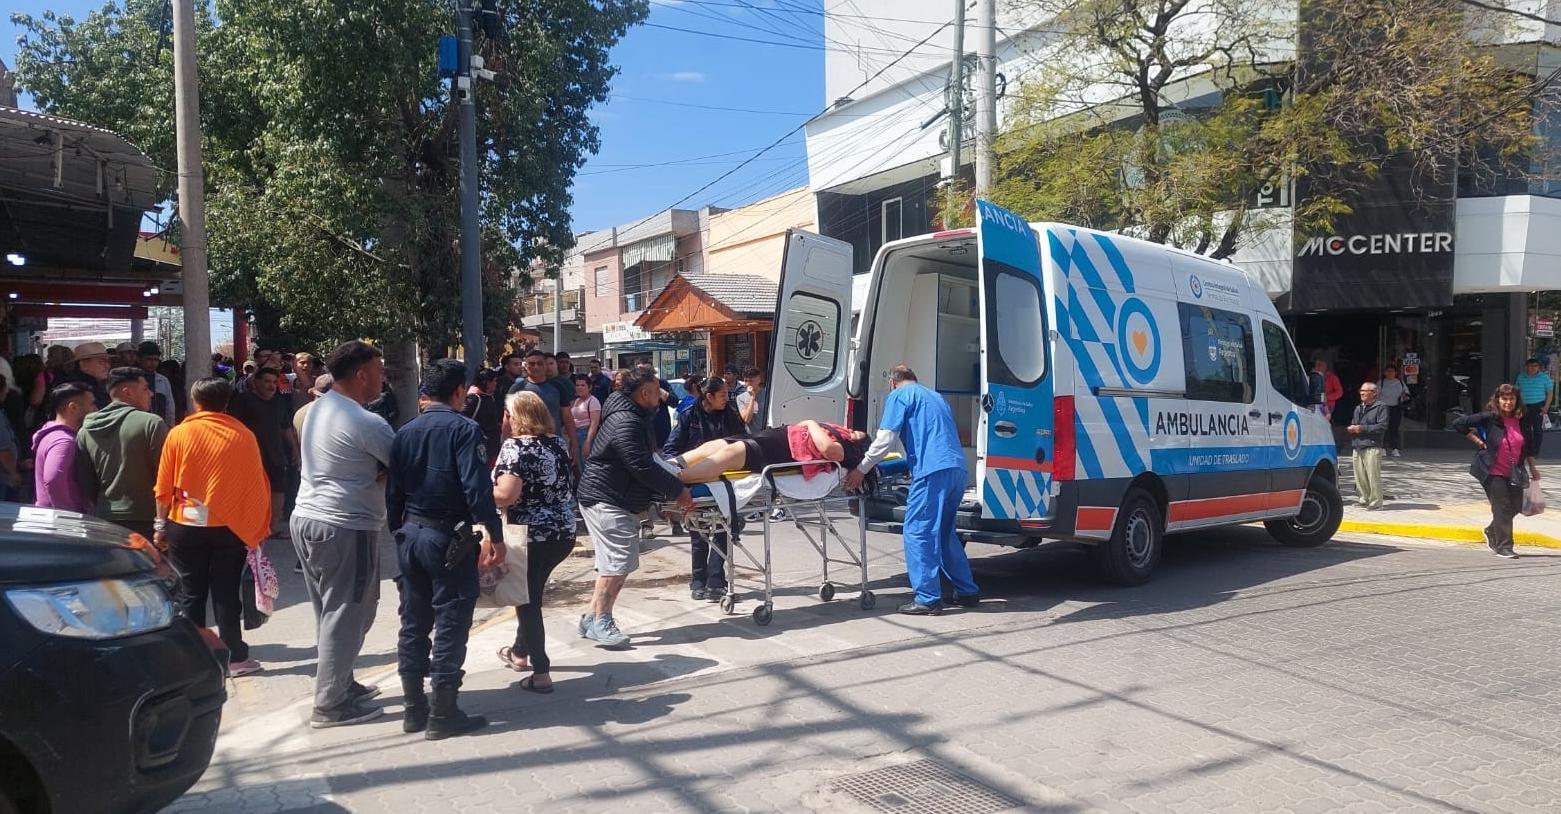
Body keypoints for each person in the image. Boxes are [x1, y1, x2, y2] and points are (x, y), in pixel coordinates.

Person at [387, 358, 504, 738]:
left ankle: (413, 709)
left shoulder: (405, 431)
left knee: (413, 621)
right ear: (458, 392)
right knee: (451, 622)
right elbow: (477, 488)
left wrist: (398, 532)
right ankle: (443, 711)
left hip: (411, 534)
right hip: (447, 538)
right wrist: (495, 535)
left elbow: (393, 492)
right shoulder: (464, 429)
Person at [291, 341, 397, 728]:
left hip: (308, 518)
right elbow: (401, 464)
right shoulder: (365, 421)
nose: (383, 378)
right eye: (380, 371)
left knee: (330, 612)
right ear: (361, 375)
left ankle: (341, 682)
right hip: (344, 524)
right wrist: (379, 471)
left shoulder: (318, 409)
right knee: (350, 612)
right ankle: (330, 704)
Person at [154, 377, 273, 677]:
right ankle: (234, 657)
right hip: (230, 526)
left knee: (190, 594)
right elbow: (256, 485)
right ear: (227, 402)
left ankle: (192, 657)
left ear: (195, 402)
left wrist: (159, 524)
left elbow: (163, 486)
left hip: (185, 524)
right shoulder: (243, 434)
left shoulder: (179, 433)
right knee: (226, 593)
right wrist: (257, 528)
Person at [576, 368, 694, 648]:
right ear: (644, 393)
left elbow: (645, 459)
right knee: (618, 563)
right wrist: (677, 490)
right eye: (657, 391)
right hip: (608, 498)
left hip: (608, 496)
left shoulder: (630, 414)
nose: (661, 396)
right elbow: (640, 465)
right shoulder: (626, 421)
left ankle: (591, 618)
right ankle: (602, 620)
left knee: (611, 563)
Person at [844, 366, 976, 615]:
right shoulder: (935, 397)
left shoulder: (899, 396)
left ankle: (927, 599)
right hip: (956, 469)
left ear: (893, 383)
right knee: (944, 533)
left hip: (931, 471)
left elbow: (885, 440)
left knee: (918, 532)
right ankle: (967, 591)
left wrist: (861, 469)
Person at [493, 391, 577, 692]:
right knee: (531, 592)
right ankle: (519, 651)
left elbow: (506, 495)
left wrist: (477, 492)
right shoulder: (556, 442)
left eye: (507, 414)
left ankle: (541, 672)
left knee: (527, 601)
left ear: (517, 417)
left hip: (530, 535)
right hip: (562, 532)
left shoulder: (515, 447)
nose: (505, 420)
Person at [662, 376, 747, 601]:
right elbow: (671, 449)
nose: (727, 398)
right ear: (708, 396)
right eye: (722, 395)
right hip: (697, 481)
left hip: (724, 482)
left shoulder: (730, 415)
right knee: (698, 533)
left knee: (722, 531)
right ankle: (698, 581)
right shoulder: (689, 416)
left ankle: (716, 582)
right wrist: (676, 473)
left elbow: (743, 443)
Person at [75, 368, 168, 539]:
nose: (151, 393)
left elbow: (85, 480)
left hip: (104, 516)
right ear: (128, 392)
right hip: (147, 518)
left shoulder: (86, 430)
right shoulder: (151, 423)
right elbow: (165, 476)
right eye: (145, 389)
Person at [1453, 384, 1541, 560]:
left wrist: (1533, 468)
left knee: (1517, 505)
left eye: (1511, 399)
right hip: (1492, 470)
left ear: (1517, 401)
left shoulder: (1522, 419)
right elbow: (1459, 424)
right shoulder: (1489, 417)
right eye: (1504, 399)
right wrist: (1478, 441)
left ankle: (1492, 530)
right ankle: (1504, 547)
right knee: (1502, 508)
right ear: (1498, 400)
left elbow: (1529, 445)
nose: (1508, 402)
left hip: (1514, 470)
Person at [672, 420, 870, 484]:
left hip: (781, 450)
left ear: (857, 448)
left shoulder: (843, 450)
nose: (850, 431)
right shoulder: (834, 433)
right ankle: (671, 464)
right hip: (777, 436)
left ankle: (675, 478)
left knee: (730, 454)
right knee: (715, 446)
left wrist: (811, 423)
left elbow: (828, 450)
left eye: (855, 434)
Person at [228, 368, 299, 540]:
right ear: (256, 382)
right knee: (250, 492)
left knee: (278, 490)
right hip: (250, 456)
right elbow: (233, 426)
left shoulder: (279, 402)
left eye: (274, 382)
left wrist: (295, 449)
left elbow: (285, 427)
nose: (271, 386)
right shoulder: (243, 400)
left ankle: (271, 528)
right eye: (267, 381)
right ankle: (248, 526)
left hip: (276, 454)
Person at [33, 382, 96, 513]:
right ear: (73, 407)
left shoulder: (53, 435)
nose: (96, 409)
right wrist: (67, 514)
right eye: (92, 404)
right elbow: (53, 480)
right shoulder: (64, 441)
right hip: (61, 520)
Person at [509, 350, 578, 461]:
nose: (536, 367)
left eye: (539, 363)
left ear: (545, 366)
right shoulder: (517, 388)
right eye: (532, 364)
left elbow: (567, 417)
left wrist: (574, 443)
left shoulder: (558, 387)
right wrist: (507, 444)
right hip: (525, 447)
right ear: (525, 366)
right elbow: (508, 418)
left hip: (553, 445)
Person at [1348, 382, 1390, 510]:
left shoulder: (1381, 407)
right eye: (1361, 390)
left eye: (1365, 391)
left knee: (1373, 476)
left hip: (1372, 446)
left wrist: (1361, 428)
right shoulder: (1358, 408)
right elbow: (1355, 423)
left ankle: (1376, 502)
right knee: (1359, 476)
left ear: (1373, 393)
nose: (1362, 393)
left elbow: (1382, 426)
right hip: (1358, 445)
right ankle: (1363, 499)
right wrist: (1352, 428)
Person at [463, 368, 503, 469]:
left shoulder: (489, 397)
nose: (496, 384)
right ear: (487, 382)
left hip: (492, 446)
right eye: (494, 381)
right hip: (479, 447)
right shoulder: (473, 399)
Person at [634, 360, 675, 448]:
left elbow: (674, 402)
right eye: (640, 370)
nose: (644, 373)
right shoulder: (634, 386)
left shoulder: (662, 383)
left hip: (661, 429)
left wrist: (660, 392)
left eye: (646, 370)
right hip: (642, 430)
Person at [1516, 357, 1552, 459]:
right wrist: (1517, 407)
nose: (1533, 368)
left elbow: (1550, 392)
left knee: (1537, 430)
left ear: (1538, 367)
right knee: (1524, 429)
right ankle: (1525, 450)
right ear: (1526, 367)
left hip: (1538, 406)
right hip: (1524, 406)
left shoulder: (1544, 377)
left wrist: (1546, 407)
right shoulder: (1521, 377)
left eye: (1535, 366)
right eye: (1531, 366)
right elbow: (1516, 392)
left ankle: (1535, 452)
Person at [135, 342, 178, 426]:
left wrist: (170, 425)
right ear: (139, 359)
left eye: (156, 360)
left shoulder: (163, 380)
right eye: (149, 359)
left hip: (160, 426)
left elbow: (170, 406)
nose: (153, 363)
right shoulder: (132, 379)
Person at [65, 342, 112, 409]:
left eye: (108, 361)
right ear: (83, 365)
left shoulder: (98, 384)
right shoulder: (77, 389)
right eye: (101, 362)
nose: (108, 366)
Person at [570, 374, 602, 470]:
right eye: (577, 385)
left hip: (586, 434)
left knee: (587, 465)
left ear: (589, 387)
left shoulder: (593, 401)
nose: (579, 388)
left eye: (583, 385)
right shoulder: (577, 401)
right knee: (578, 465)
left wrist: (588, 441)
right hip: (576, 434)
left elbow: (594, 423)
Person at [1378, 364, 1409, 457]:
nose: (1390, 373)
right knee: (1384, 428)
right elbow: (1375, 394)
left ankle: (1395, 448)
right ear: (1384, 373)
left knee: (1394, 428)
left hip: (1396, 407)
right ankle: (1382, 448)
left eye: (1392, 371)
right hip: (1384, 407)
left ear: (1395, 373)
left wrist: (1404, 397)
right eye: (1388, 371)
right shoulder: (1381, 382)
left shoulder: (1400, 382)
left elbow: (1406, 393)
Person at [737, 367, 768, 434]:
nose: (748, 384)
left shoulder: (768, 394)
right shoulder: (740, 398)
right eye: (746, 381)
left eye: (751, 381)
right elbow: (746, 419)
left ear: (758, 380)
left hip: (767, 432)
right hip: (751, 434)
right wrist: (752, 398)